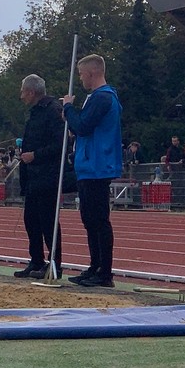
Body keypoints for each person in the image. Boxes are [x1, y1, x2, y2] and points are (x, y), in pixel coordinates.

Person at [62, 54, 122, 288]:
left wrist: (68, 108)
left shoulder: (102, 98)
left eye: (81, 74)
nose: (80, 78)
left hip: (97, 166)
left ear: (91, 73)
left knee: (98, 220)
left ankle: (104, 272)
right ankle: (95, 266)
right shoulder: (98, 98)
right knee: (89, 219)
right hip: (90, 165)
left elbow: (83, 126)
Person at [14, 74, 67, 279]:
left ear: (31, 92)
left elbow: (60, 144)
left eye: (23, 91)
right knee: (31, 220)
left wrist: (35, 155)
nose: (21, 96)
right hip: (32, 176)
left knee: (48, 222)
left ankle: (55, 265)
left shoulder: (53, 111)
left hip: (47, 175)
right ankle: (36, 260)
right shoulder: (36, 112)